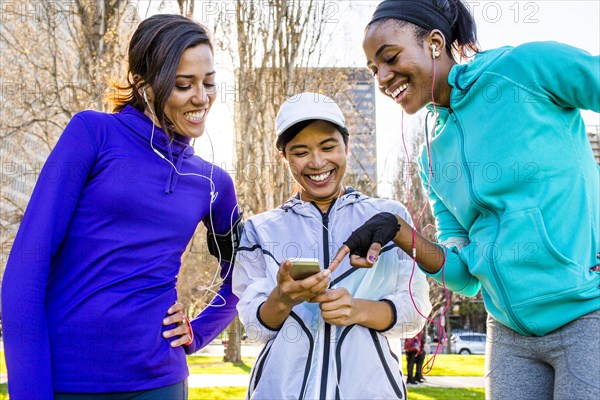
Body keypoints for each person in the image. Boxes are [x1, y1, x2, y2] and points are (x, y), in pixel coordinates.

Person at [331, 0, 600, 399]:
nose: (383, 78)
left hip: (586, 316)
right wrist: (401, 233)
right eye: (374, 70)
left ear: (435, 42)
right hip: (509, 334)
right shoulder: (431, 157)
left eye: (390, 58)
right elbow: (464, 276)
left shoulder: (523, 70)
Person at [1, 14, 242, 399]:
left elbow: (244, 272)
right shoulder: (93, 134)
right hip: (70, 382)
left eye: (209, 83)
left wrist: (199, 331)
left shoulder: (212, 182)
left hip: (161, 383)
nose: (201, 97)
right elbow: (25, 271)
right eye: (184, 85)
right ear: (145, 85)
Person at [232, 92, 432, 399]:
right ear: (284, 157)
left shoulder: (389, 220)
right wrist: (283, 298)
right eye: (300, 152)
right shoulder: (260, 229)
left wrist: (356, 309)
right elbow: (256, 327)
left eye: (328, 147)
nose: (317, 162)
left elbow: (414, 314)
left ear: (347, 147)